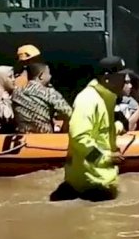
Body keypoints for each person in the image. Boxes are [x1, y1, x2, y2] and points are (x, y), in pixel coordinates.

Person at [52, 56, 130, 202]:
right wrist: (105, 158)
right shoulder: (88, 100)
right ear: (107, 78)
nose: (125, 80)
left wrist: (117, 127)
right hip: (89, 184)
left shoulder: (105, 98)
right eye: (122, 76)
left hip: (99, 180)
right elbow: (79, 138)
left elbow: (99, 128)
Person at [12, 62, 72, 134]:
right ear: (41, 76)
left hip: (23, 138)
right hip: (45, 138)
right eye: (48, 73)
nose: (50, 76)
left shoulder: (16, 93)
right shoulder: (49, 93)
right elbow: (69, 113)